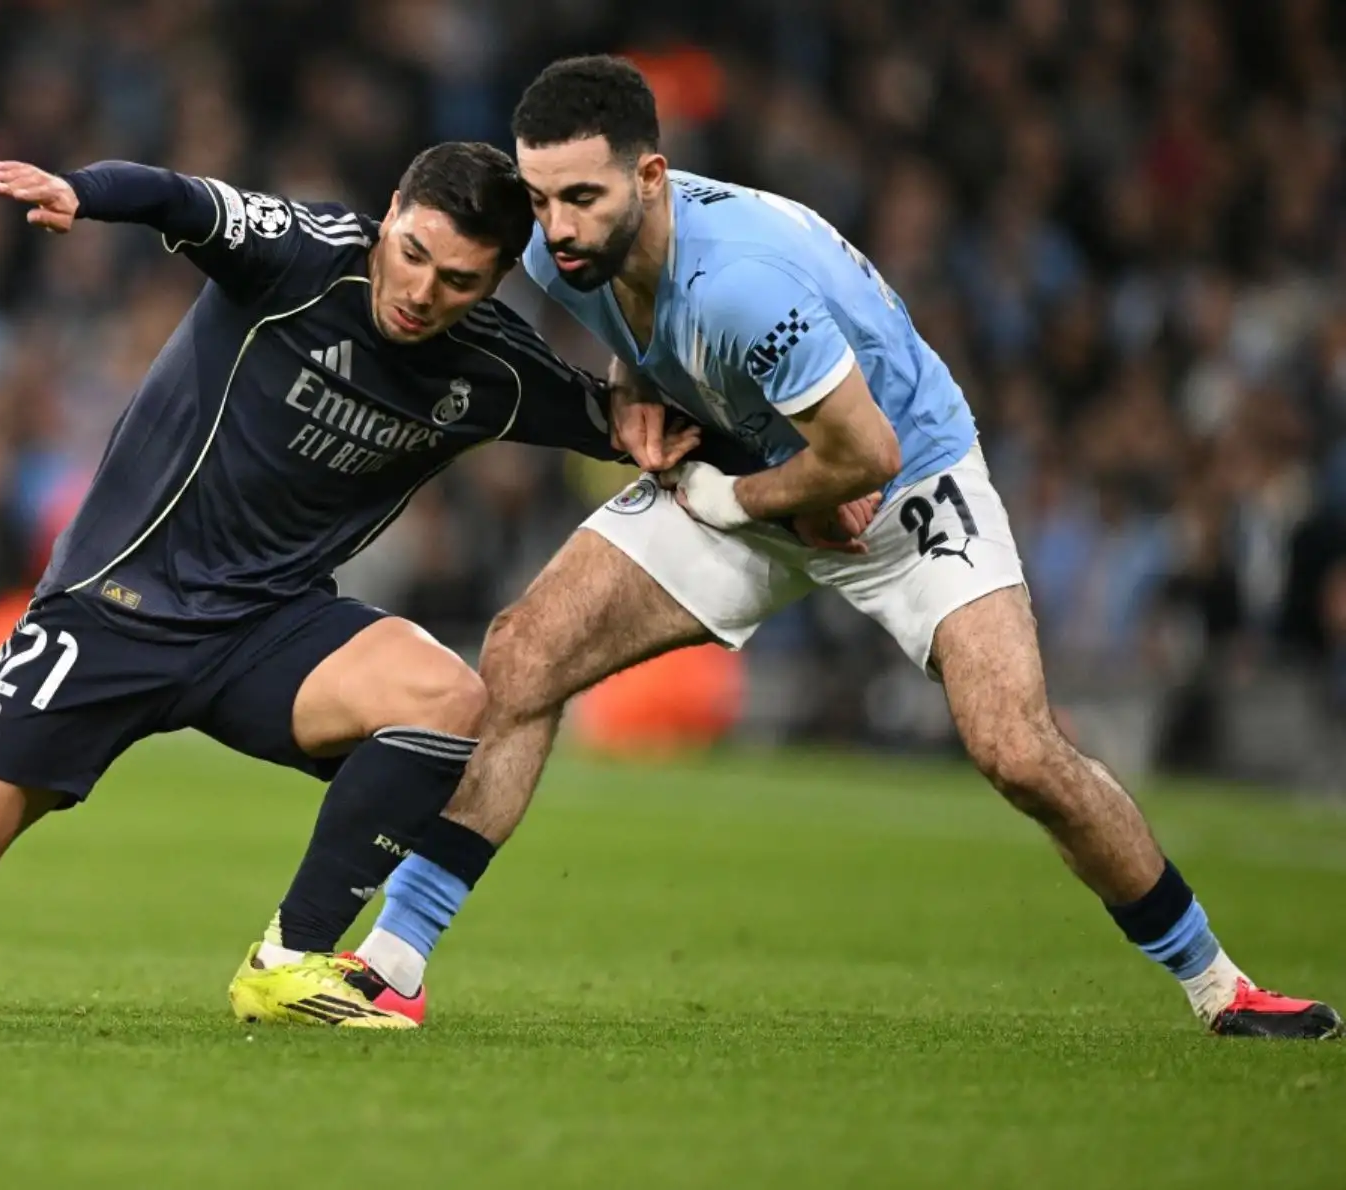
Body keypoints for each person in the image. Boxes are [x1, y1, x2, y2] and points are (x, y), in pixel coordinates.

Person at [322, 57, 1336, 1040]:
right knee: (524, 652)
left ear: (651, 176)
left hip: (905, 484)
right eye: (542, 198)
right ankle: (393, 964)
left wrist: (737, 498)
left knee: (1019, 750)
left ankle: (1223, 987)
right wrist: (636, 393)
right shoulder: (560, 249)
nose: (557, 227)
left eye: (582, 197)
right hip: (755, 462)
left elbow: (866, 456)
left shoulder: (742, 283)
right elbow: (642, 344)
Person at [0, 140, 694, 1029]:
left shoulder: (492, 370)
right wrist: (81, 193)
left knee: (448, 698)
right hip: (110, 611)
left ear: (495, 282)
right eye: (411, 254)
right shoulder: (301, 258)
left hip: (269, 629)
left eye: (458, 281)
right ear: (389, 220)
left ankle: (291, 962)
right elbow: (178, 197)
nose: (421, 291)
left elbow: (629, 417)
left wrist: (673, 423)